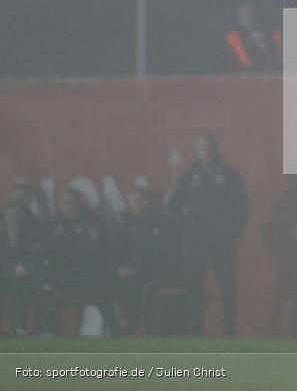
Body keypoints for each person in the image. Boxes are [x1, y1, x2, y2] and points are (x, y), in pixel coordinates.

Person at [167, 133, 249, 336]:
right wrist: (186, 227)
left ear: (217, 150)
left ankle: (229, 331)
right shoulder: (189, 177)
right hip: (196, 243)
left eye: (210, 148)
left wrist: (233, 231)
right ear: (198, 152)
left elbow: (243, 207)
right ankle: (197, 332)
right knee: (195, 289)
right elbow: (173, 206)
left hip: (223, 242)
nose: (207, 153)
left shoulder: (231, 176)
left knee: (228, 287)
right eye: (203, 149)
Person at [41, 187, 119, 335]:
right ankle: (55, 337)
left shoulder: (92, 221)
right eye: (66, 202)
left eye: (73, 202)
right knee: (47, 295)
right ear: (60, 203)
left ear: (80, 203)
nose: (70, 205)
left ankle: (116, 331)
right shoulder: (51, 225)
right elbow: (45, 255)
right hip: (61, 279)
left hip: (89, 278)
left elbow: (101, 251)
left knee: (103, 293)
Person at [111, 186, 186, 335]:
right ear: (129, 203)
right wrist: (119, 268)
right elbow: (114, 252)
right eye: (134, 202)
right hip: (129, 272)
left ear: (149, 202)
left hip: (154, 271)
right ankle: (126, 329)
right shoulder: (122, 223)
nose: (138, 205)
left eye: (142, 201)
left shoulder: (162, 221)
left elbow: (166, 251)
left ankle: (134, 328)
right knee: (118, 285)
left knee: (140, 285)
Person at [263, 175, 297, 337]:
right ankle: (280, 321)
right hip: (290, 254)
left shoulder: (296, 199)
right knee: (288, 289)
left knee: (292, 289)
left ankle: (286, 321)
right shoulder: (290, 199)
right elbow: (272, 227)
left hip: (296, 254)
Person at [0, 202, 44, 335]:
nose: (13, 218)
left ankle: (30, 332)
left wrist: (27, 268)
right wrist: (12, 269)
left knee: (32, 290)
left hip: (28, 276)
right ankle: (7, 329)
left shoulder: (31, 235)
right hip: (5, 276)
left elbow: (36, 256)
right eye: (9, 215)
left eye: (17, 214)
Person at [225, 3, 282, 74]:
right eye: (245, 15)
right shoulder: (235, 39)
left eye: (251, 14)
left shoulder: (273, 34)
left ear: (257, 15)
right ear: (240, 19)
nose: (249, 18)